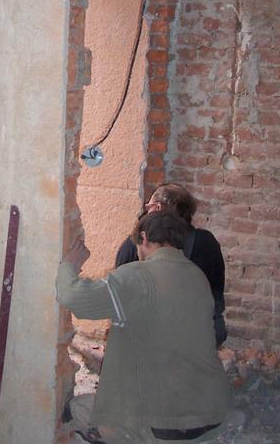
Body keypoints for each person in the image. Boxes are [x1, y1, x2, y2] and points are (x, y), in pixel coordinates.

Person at [57, 212, 232, 444]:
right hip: (213, 414)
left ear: (145, 237)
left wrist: (70, 265)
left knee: (75, 409)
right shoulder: (197, 276)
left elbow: (74, 296)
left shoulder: (138, 275)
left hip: (166, 428)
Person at [115, 183, 227, 348]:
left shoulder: (140, 242)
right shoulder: (207, 241)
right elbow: (217, 293)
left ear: (158, 208)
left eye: (148, 207)